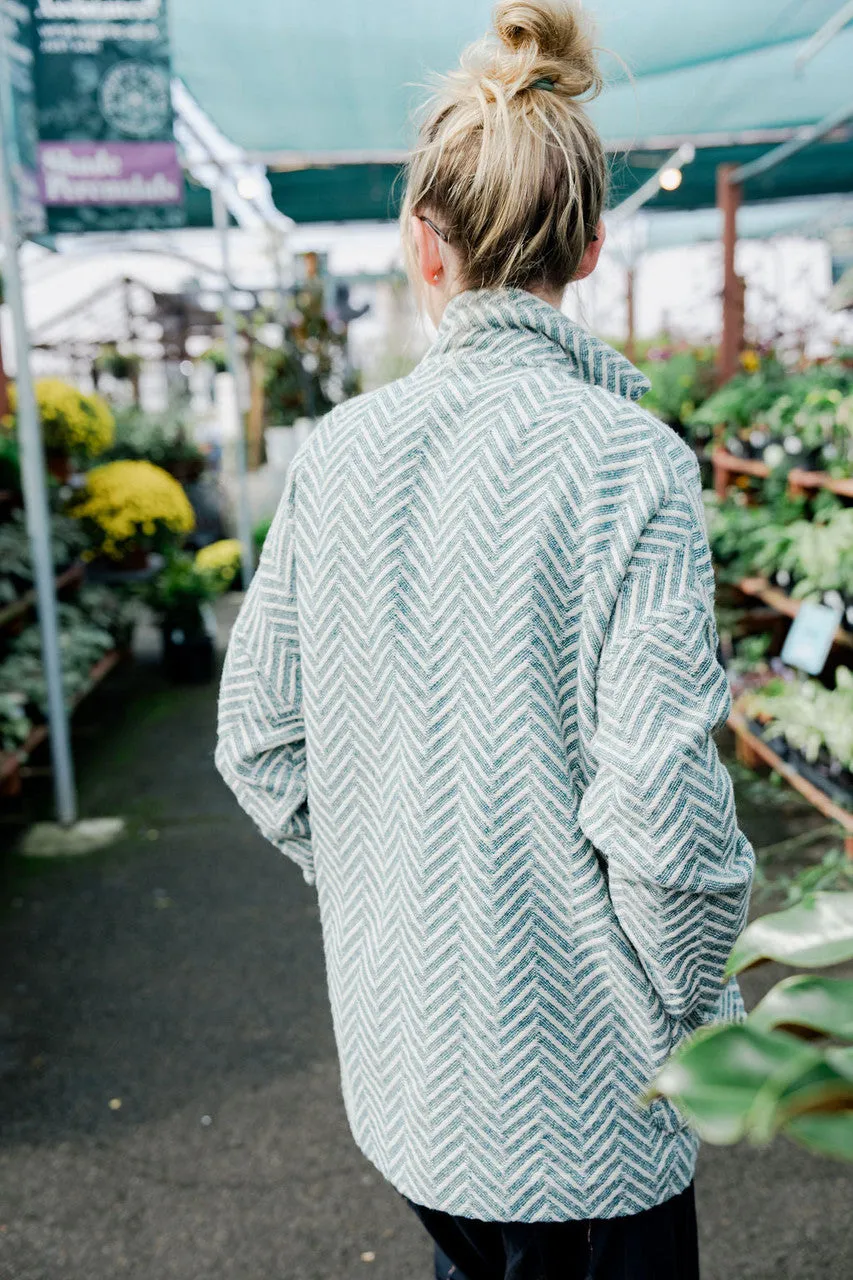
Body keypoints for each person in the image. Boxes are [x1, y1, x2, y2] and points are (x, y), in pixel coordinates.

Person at [214, 2, 755, 1276]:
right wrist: (694, 1015)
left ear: (424, 248)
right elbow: (668, 820)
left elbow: (259, 740)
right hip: (594, 1108)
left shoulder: (335, 454)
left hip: (415, 1091)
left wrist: (389, 889)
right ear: (592, 245)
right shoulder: (630, 464)